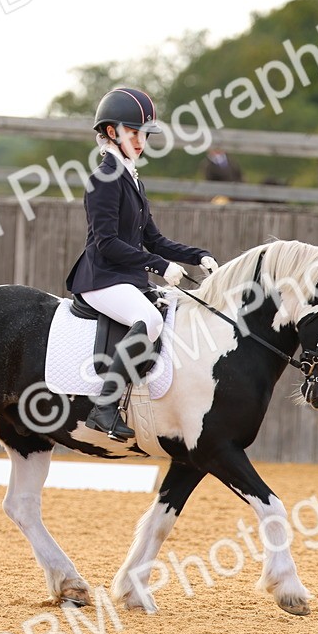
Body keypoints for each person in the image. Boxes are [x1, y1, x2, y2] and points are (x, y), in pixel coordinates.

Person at [65, 87, 218, 440]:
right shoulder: (103, 178)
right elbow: (106, 243)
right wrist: (160, 267)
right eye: (133, 132)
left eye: (143, 134)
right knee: (148, 319)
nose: (140, 140)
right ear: (110, 133)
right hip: (101, 278)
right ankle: (104, 407)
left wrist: (197, 256)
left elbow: (154, 239)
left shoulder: (131, 178)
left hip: (126, 278)